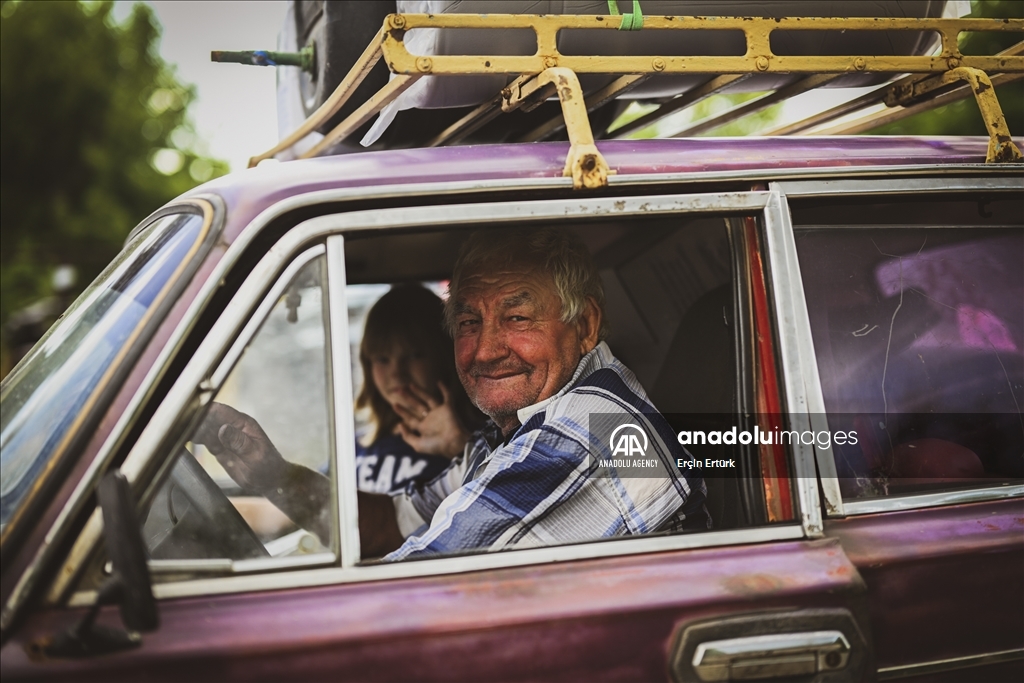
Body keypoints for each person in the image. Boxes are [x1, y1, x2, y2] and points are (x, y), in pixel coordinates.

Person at [195, 227, 709, 559]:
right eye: (468, 322)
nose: (484, 351)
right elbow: (393, 525)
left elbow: (415, 584)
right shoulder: (514, 432)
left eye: (517, 317)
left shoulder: (586, 429)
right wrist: (274, 474)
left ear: (586, 325)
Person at [353, 284, 483, 494]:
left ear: (443, 357)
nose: (396, 373)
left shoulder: (482, 438)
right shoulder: (353, 448)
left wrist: (459, 446)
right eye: (382, 359)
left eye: (414, 356)